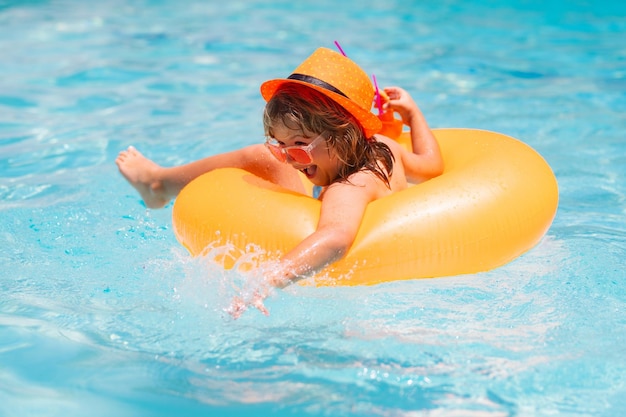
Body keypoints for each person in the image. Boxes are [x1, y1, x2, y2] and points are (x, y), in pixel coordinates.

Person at [116, 47, 444, 317]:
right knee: (265, 156)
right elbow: (431, 167)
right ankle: (158, 184)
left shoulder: (348, 188)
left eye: (300, 146)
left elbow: (334, 238)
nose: (287, 158)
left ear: (344, 137)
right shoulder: (386, 150)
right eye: (278, 144)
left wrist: (265, 281)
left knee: (258, 158)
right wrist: (413, 115)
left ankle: (159, 184)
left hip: (337, 279)